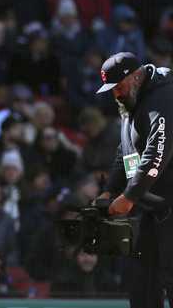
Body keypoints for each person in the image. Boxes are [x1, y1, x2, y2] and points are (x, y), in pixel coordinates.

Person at [94, 51, 173, 308]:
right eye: (111, 88)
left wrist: (128, 197)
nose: (116, 93)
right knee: (141, 284)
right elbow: (126, 149)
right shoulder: (131, 100)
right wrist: (110, 190)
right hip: (154, 208)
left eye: (119, 86)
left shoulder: (164, 96)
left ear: (136, 76)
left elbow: (156, 154)